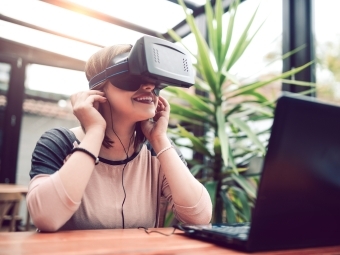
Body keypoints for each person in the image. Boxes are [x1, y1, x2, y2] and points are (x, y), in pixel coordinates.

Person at [26, 43, 212, 232]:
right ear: (98, 88)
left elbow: (199, 218)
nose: (149, 86)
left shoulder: (157, 151)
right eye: (133, 77)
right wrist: (95, 131)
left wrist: (159, 139)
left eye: (155, 81)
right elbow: (47, 219)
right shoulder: (59, 143)